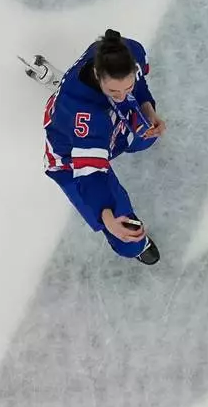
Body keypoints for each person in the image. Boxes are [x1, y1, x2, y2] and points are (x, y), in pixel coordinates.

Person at [40, 30, 165, 265]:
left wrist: (148, 108)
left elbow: (138, 86)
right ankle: (137, 248)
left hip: (107, 131)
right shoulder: (85, 116)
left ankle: (68, 89)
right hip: (70, 158)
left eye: (125, 89)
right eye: (114, 91)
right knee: (127, 236)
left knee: (147, 137)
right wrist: (107, 217)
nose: (122, 96)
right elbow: (90, 175)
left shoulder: (128, 51)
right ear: (97, 74)